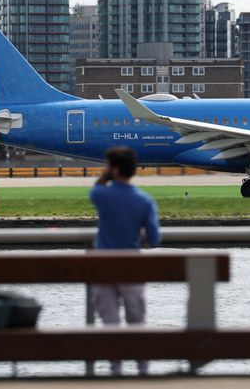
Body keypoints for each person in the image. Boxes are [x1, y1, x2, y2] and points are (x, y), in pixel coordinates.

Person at [90, 146, 161, 376]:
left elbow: (97, 189)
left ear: (114, 169)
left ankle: (115, 369)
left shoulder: (101, 195)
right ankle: (143, 368)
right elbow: (154, 239)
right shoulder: (144, 201)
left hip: (103, 265)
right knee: (136, 318)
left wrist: (107, 174)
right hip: (131, 263)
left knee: (109, 320)